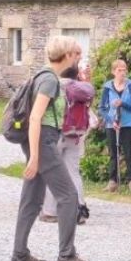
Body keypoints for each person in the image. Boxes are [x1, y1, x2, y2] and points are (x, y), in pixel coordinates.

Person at [10, 35, 94, 261]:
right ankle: (67, 256)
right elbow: (36, 117)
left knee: (31, 199)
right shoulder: (49, 80)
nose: (78, 58)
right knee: (68, 196)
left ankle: (19, 253)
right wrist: (35, 157)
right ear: (66, 55)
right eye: (75, 54)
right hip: (43, 142)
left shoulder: (43, 75)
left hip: (40, 141)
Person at [39, 43, 92, 225]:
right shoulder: (82, 88)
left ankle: (50, 211)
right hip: (76, 135)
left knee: (53, 172)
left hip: (58, 133)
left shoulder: (55, 84)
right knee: (73, 172)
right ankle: (80, 209)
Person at [99, 59, 131, 193]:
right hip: (112, 124)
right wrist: (111, 120)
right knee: (113, 153)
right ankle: (112, 181)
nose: (122, 72)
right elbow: (102, 108)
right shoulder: (107, 87)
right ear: (113, 72)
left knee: (129, 152)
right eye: (119, 70)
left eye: (124, 70)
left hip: (128, 123)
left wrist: (123, 104)